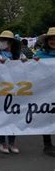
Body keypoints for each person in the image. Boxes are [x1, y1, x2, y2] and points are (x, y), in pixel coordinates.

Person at [0, 30, 26, 154]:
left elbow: (27, 69)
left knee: (13, 115)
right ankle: (2, 142)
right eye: (1, 40)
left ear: (10, 42)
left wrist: (28, 63)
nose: (2, 43)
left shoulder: (19, 55)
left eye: (5, 40)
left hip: (16, 90)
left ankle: (12, 142)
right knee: (1, 116)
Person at [34, 27, 55, 157]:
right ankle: (47, 144)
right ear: (47, 41)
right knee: (46, 116)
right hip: (45, 92)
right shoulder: (39, 56)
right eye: (51, 39)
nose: (53, 41)